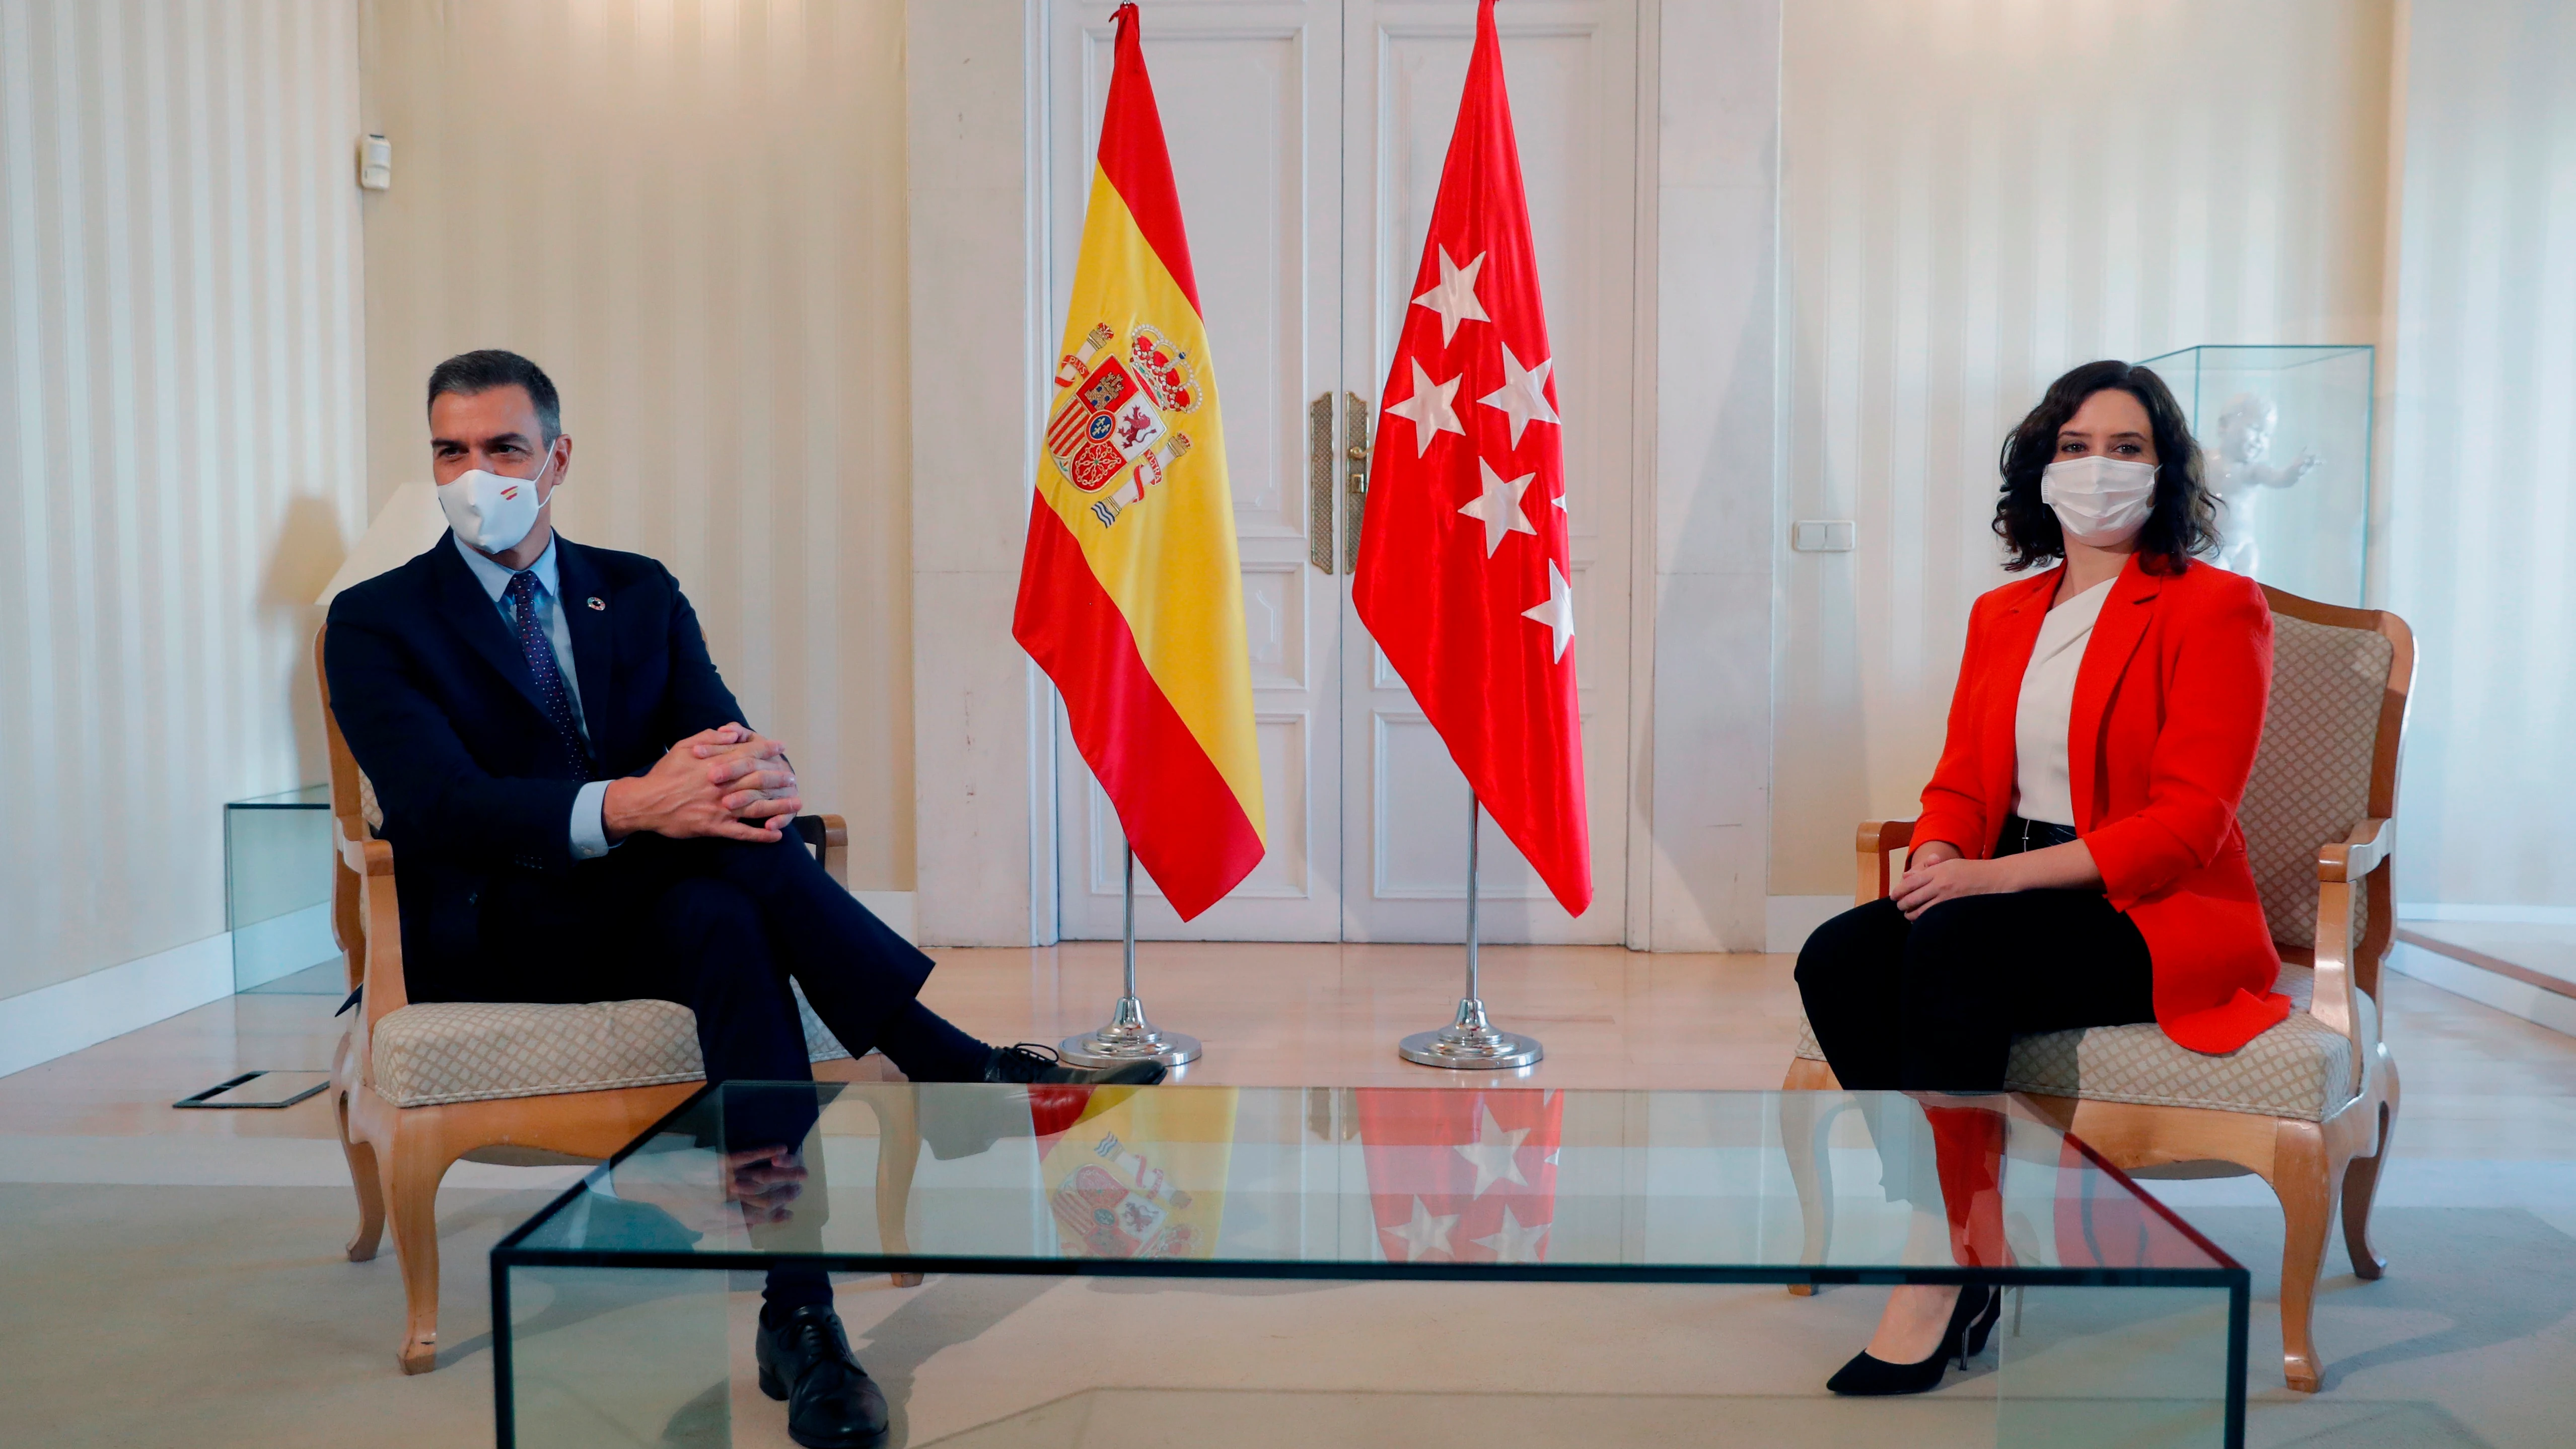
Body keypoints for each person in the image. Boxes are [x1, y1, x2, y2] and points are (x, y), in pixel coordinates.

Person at [325, 350, 1160, 1448]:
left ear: (557, 458)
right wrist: (633, 802)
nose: (475, 473)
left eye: (504, 448)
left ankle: (797, 1303)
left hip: (654, 904)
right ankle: (953, 1067)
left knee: (731, 899)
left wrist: (754, 773)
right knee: (736, 877)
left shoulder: (637, 587)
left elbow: (719, 733)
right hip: (499, 924)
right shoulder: (378, 618)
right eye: (452, 450)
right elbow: (439, 805)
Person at [1793, 358, 2291, 1396]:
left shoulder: (2215, 609)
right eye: (2073, 447)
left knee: (1955, 941)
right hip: (2003, 876)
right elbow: (1961, 784)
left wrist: (1987, 886)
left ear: (2163, 473)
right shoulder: (2002, 614)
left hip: (2142, 904)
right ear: (2039, 468)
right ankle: (1970, 1233)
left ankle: (1939, 1261)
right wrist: (1940, 854)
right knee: (1838, 952)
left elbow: (2186, 826)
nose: (2096, 468)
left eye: (2125, 448)